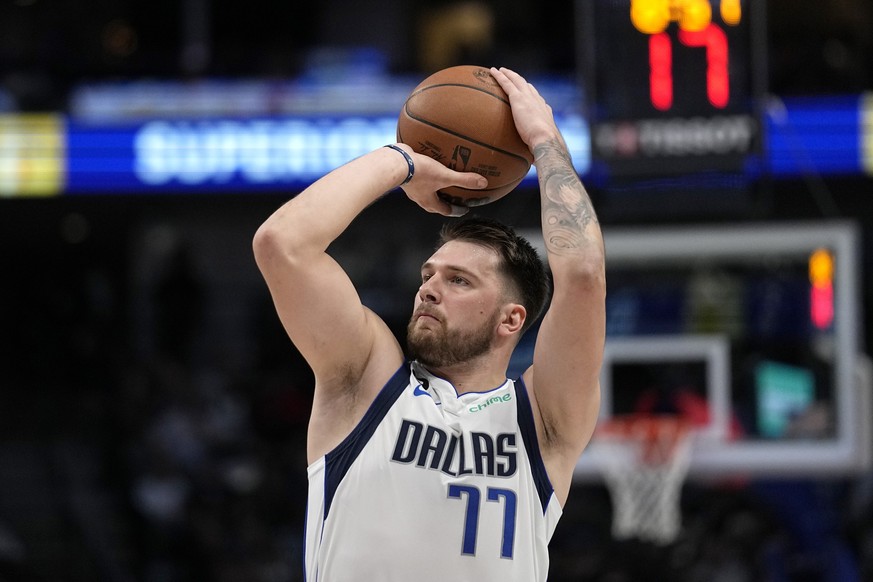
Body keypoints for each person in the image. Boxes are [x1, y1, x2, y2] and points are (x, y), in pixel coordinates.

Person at [252, 67, 605, 581]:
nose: (430, 288)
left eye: (459, 280)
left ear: (513, 318)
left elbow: (584, 275)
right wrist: (402, 161)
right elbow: (281, 245)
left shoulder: (543, 420)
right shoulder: (366, 382)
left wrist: (546, 141)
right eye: (429, 274)